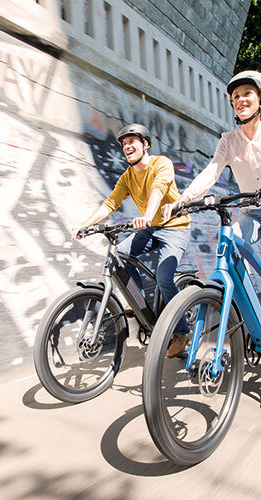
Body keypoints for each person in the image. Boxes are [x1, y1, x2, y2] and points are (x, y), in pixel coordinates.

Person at [162, 71, 261, 391]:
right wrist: (184, 199)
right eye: (236, 95)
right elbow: (211, 171)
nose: (240, 98)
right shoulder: (229, 140)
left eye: (247, 93)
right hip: (252, 213)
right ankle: (249, 321)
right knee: (229, 253)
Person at [71, 123, 191, 357]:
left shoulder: (161, 163)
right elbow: (110, 202)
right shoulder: (127, 177)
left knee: (164, 277)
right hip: (151, 227)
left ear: (145, 144)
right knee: (121, 256)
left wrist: (147, 215)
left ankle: (181, 333)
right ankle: (141, 305)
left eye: (132, 142)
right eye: (124, 144)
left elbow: (158, 188)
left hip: (175, 227)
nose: (127, 147)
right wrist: (85, 225)